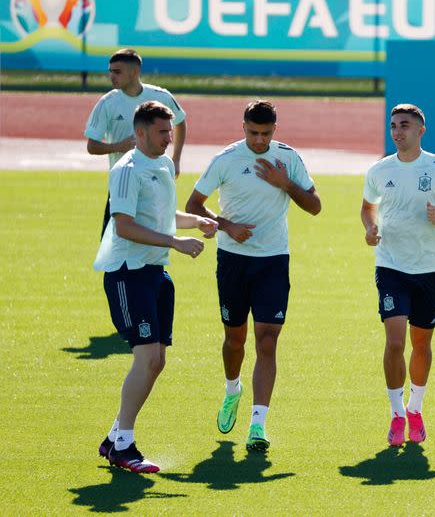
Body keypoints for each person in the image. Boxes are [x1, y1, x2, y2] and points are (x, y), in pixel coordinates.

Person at [185, 100, 321, 452]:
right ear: (242, 126)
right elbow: (193, 205)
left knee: (267, 340)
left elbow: (314, 205)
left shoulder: (288, 159)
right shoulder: (226, 160)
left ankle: (258, 424)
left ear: (275, 130)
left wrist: (285, 183)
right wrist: (226, 225)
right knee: (235, 340)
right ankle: (233, 390)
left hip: (273, 260)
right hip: (233, 261)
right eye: (252, 133)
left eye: (265, 134)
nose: (259, 140)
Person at [94, 101, 218, 473]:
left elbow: (163, 216)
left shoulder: (163, 165)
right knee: (147, 357)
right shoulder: (127, 170)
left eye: (169, 131)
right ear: (142, 132)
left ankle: (115, 436)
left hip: (155, 272)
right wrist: (176, 242)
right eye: (163, 132)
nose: (170, 138)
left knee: (157, 360)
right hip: (128, 272)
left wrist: (195, 221)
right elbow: (124, 226)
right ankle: (124, 446)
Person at [360, 103, 435, 446]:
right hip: (390, 264)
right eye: (393, 125)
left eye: (404, 125)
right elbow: (367, 207)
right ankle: (396, 415)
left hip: (428, 268)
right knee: (394, 341)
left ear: (421, 130)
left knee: (421, 343)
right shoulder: (380, 170)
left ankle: (415, 408)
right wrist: (370, 228)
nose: (397, 131)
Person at [85, 48, 187, 236]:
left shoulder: (161, 96)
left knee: (156, 236)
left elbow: (180, 121)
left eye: (117, 72)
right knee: (113, 243)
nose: (111, 76)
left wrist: (177, 159)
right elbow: (92, 146)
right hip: (122, 184)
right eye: (110, 71)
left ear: (134, 72)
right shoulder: (107, 102)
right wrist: (118, 146)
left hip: (155, 181)